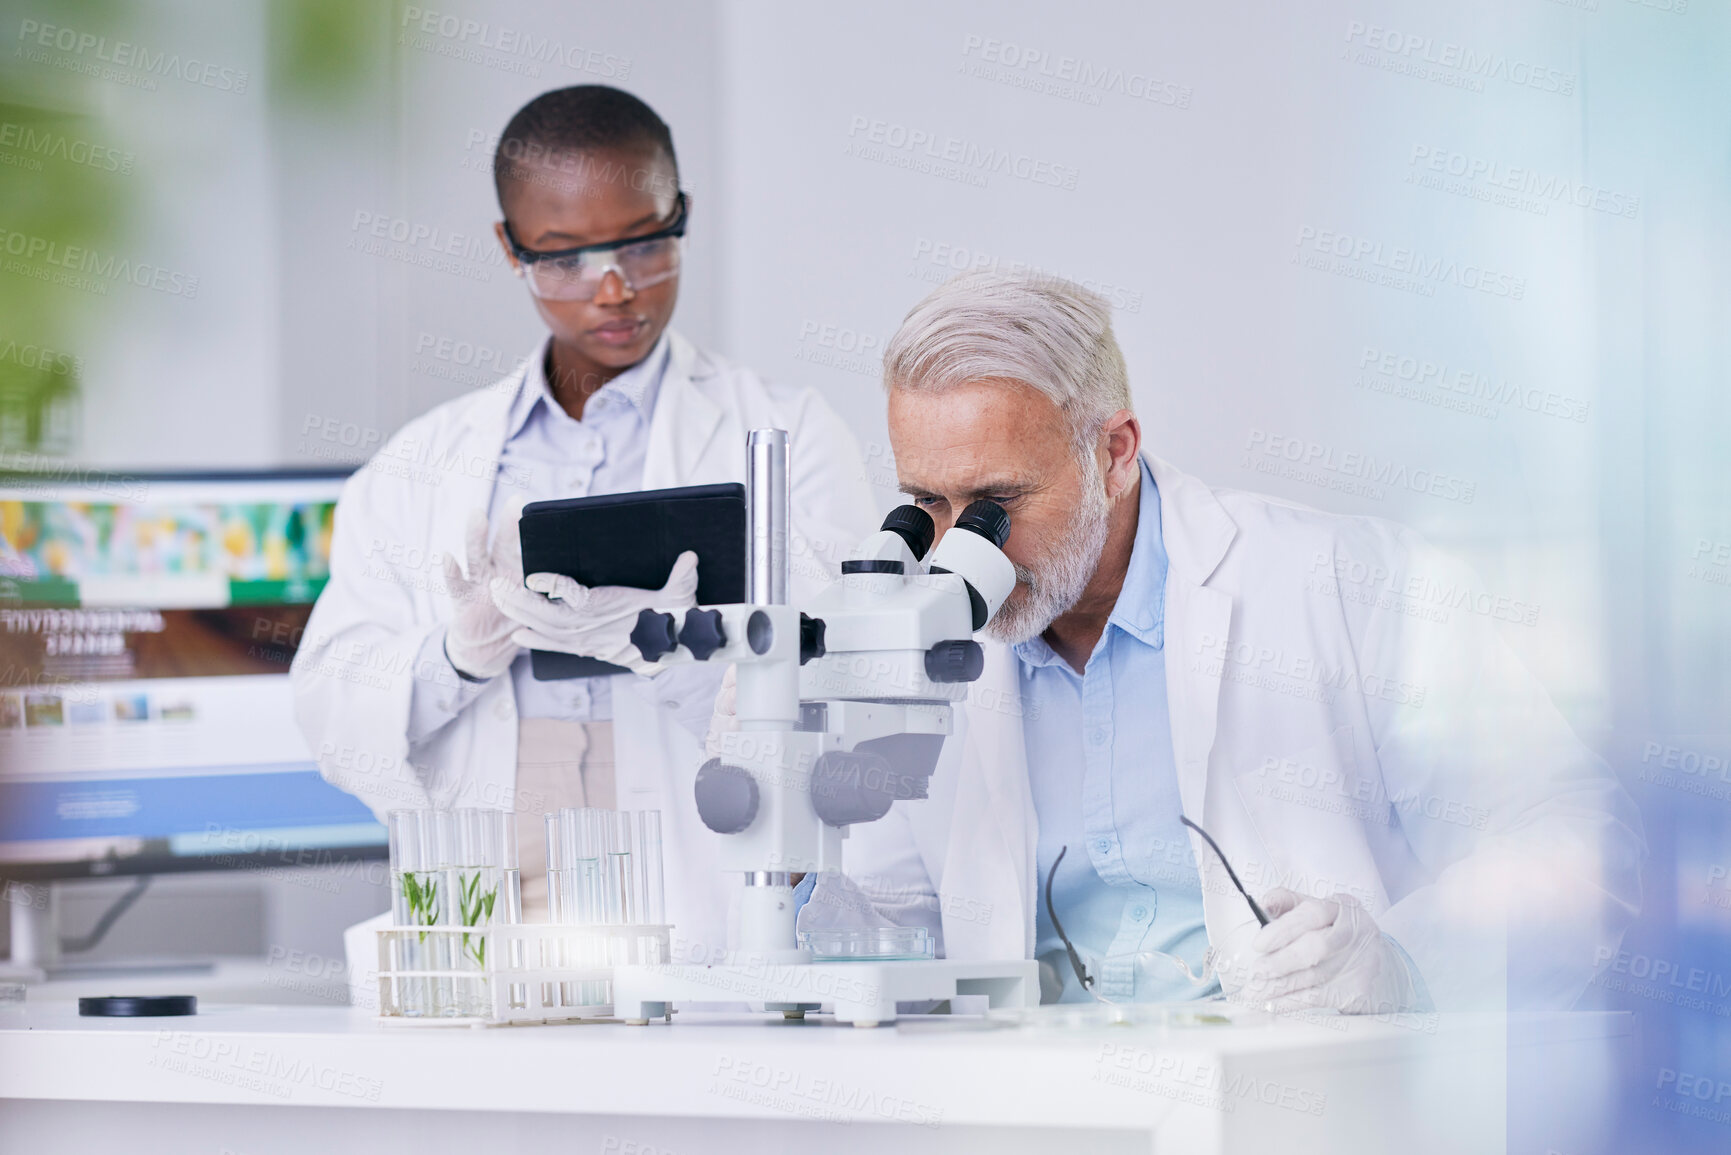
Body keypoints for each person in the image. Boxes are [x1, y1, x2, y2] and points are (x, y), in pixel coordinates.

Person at [826, 271, 1643, 1013]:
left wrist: (1404, 964)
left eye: (996, 503)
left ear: (1114, 452)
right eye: (927, 502)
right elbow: (895, 918)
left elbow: (1578, 841)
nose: (962, 547)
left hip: (1297, 1112)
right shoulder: (923, 637)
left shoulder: (1345, 581)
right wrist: (802, 838)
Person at [292, 86, 876, 957]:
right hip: (493, 883)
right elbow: (330, 707)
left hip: (698, 874)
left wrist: (674, 647)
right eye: (564, 257)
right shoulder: (423, 459)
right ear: (511, 247)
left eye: (644, 244)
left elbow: (848, 696)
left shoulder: (788, 435)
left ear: (681, 217)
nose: (613, 288)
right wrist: (457, 653)